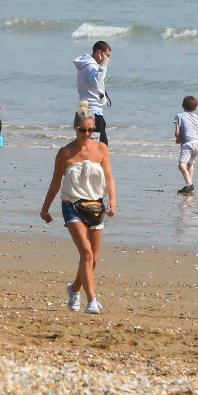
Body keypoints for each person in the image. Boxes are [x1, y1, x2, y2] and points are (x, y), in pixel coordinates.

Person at [40, 101, 117, 314]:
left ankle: (74, 289)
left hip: (96, 206)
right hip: (71, 205)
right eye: (83, 130)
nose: (87, 134)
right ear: (75, 128)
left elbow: (109, 177)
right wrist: (45, 208)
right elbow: (55, 182)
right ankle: (92, 300)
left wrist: (112, 200)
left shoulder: (101, 149)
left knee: (92, 260)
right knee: (86, 252)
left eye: (91, 130)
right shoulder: (65, 153)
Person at [73, 40, 111, 145]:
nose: (108, 58)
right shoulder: (90, 66)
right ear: (99, 53)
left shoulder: (86, 65)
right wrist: (104, 65)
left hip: (89, 110)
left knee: (92, 144)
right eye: (107, 55)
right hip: (93, 112)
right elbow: (96, 82)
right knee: (100, 146)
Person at [174, 95, 198, 195]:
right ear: (196, 107)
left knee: (181, 165)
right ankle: (189, 186)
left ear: (182, 105)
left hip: (188, 143)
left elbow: (177, 132)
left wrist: (178, 139)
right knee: (190, 164)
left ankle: (189, 184)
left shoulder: (179, 116)